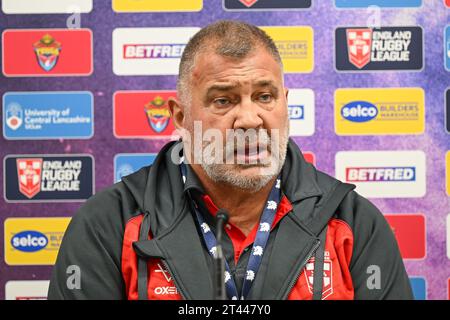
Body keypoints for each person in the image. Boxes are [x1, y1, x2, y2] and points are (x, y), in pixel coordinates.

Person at [48, 20, 413, 300]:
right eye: (223, 100)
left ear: (285, 103)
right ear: (180, 117)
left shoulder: (354, 223)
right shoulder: (107, 225)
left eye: (265, 96)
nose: (250, 119)